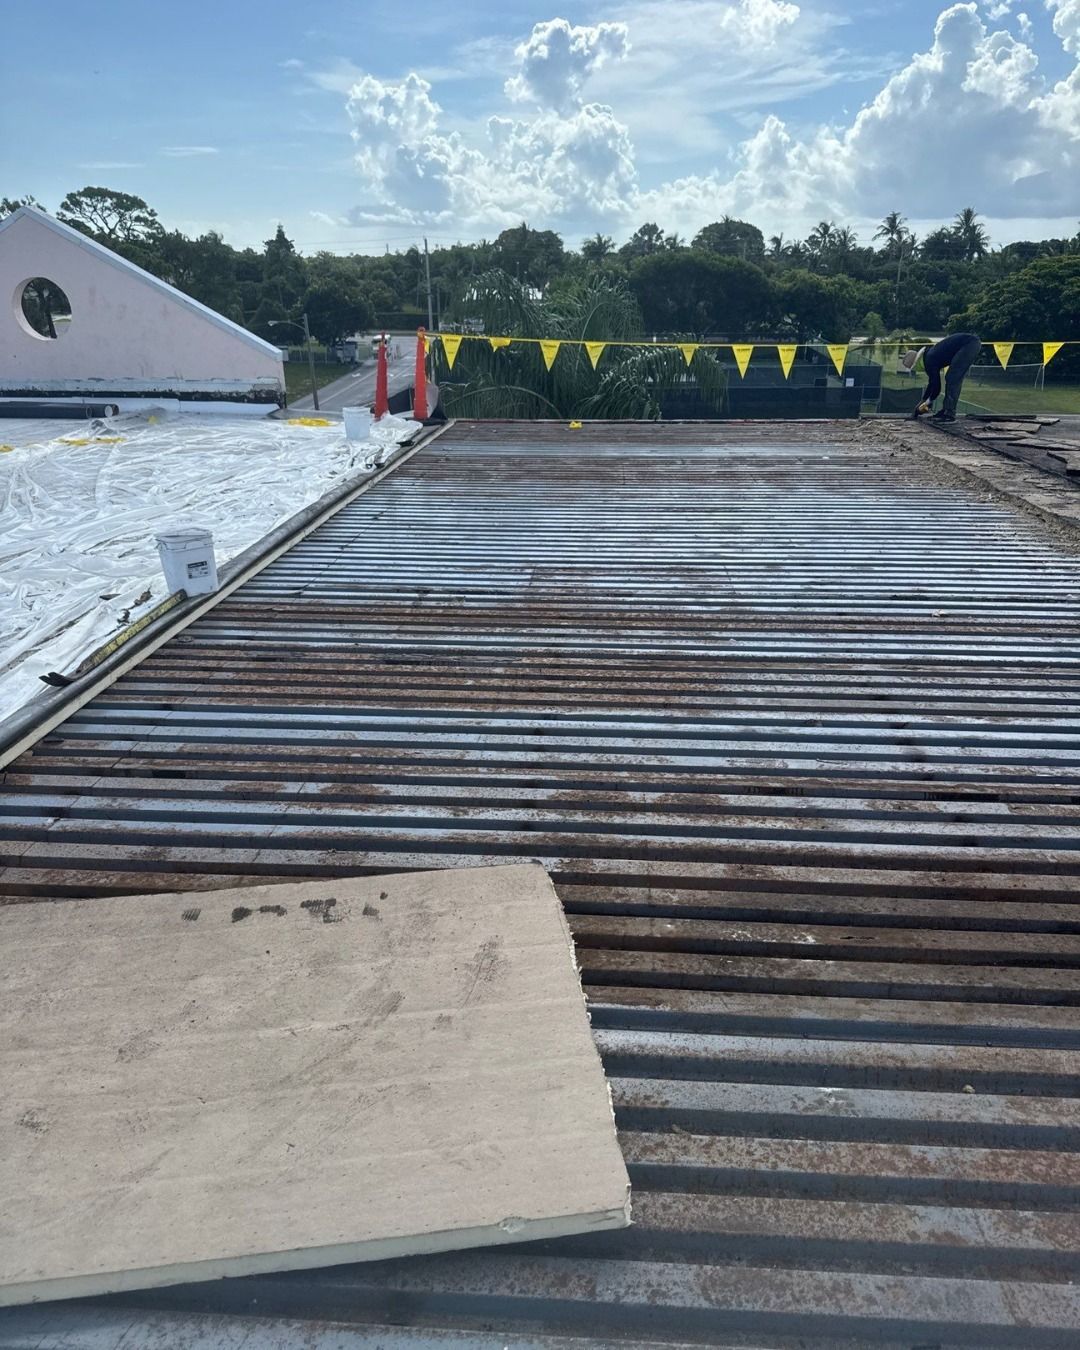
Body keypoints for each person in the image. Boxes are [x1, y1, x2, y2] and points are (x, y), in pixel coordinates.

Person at [902, 333, 982, 422]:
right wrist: (924, 400)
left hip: (969, 344)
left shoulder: (929, 360)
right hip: (970, 343)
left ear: (916, 364)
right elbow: (932, 383)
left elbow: (937, 387)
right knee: (952, 377)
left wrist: (927, 402)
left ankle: (949, 413)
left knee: (952, 377)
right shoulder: (929, 356)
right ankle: (946, 411)